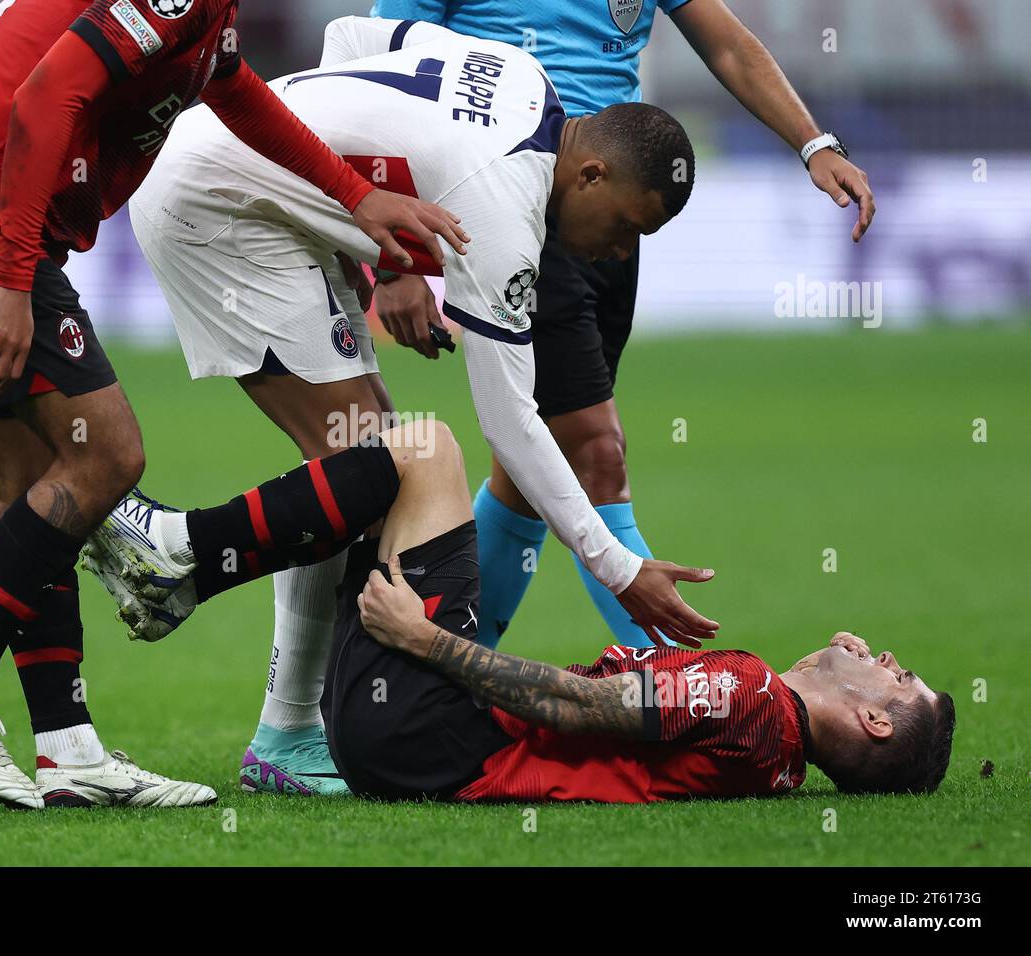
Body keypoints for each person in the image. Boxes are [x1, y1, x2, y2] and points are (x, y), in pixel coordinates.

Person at [0, 0, 468, 811]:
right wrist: (13, 281)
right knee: (107, 456)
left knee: (33, 487)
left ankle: (68, 749)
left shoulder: (205, 12)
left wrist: (356, 199)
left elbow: (233, 86)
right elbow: (43, 100)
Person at [122, 16, 718, 796]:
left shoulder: (521, 76)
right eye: (627, 229)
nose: (617, 253)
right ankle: (182, 560)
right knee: (363, 461)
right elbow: (511, 422)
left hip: (240, 175)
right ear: (593, 175)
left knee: (364, 460)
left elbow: (350, 38)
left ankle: (284, 722)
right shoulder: (503, 211)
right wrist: (616, 565)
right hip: (218, 202)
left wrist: (362, 216)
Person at [84, 420, 954, 802]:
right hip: (414, 747)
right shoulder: (778, 765)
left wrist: (429, 640)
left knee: (423, 449)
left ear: (875, 720)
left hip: (433, 735)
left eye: (895, 672)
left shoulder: (752, 696)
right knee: (361, 477)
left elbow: (583, 705)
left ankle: (181, 553)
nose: (867, 645)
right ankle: (251, 682)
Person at [371, 0, 876, 650]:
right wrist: (395, 259)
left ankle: (432, 677)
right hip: (517, 189)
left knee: (527, 478)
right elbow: (393, 60)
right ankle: (693, 703)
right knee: (595, 452)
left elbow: (725, 42)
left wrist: (812, 143)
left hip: (612, 203)